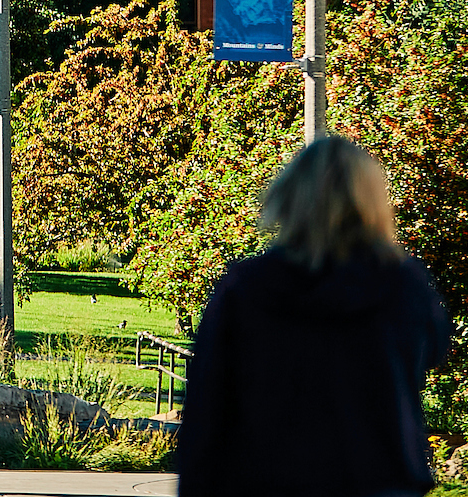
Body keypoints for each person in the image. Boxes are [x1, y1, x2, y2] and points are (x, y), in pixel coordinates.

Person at [177, 135, 449, 497]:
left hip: (263, 477)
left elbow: (207, 404)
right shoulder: (404, 284)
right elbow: (433, 353)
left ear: (289, 197)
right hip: (378, 476)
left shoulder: (245, 288)